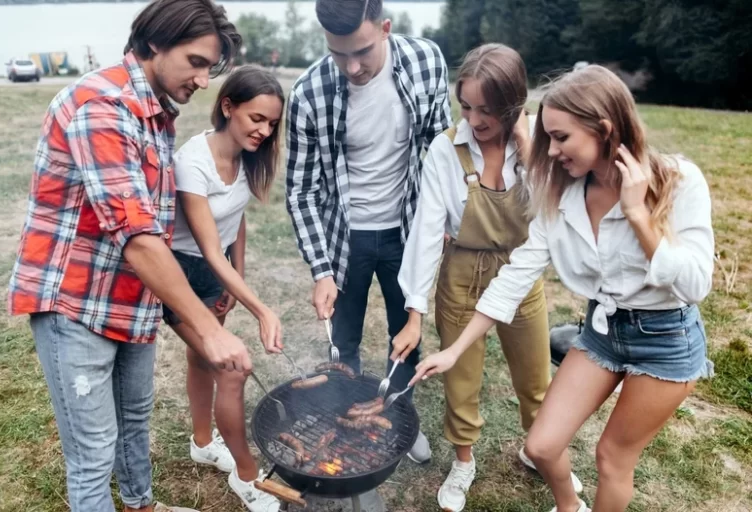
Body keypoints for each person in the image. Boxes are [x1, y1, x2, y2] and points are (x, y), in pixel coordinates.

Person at [411, 65, 715, 512]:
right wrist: (454, 351)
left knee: (611, 459)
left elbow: (695, 284)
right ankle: (571, 507)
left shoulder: (679, 180)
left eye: (560, 137)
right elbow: (515, 275)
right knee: (542, 445)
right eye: (546, 136)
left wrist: (638, 215)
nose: (549, 150)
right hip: (602, 331)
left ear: (604, 129)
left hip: (666, 339)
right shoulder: (564, 195)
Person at [7, 1, 247, 510]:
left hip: (130, 299)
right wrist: (208, 328)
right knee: (93, 453)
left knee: (135, 420)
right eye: (197, 62)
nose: (205, 80)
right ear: (156, 43)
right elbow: (137, 235)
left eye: (213, 67)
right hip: (75, 305)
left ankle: (140, 504)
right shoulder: (104, 105)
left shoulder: (153, 110)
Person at [392, 44, 581, 512]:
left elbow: (557, 204)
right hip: (461, 274)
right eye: (467, 106)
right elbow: (425, 230)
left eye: (488, 110)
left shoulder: (541, 145)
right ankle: (463, 461)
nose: (474, 120)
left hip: (520, 274)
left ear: (513, 105)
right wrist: (414, 313)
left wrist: (526, 139)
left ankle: (542, 450)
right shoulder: (445, 148)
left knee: (536, 380)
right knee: (461, 380)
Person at [285, 0, 453, 464]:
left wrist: (441, 220)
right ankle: (343, 417)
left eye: (361, 51)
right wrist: (321, 270)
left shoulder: (426, 61)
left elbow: (440, 149)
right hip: (345, 238)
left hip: (406, 230)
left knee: (406, 332)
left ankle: (398, 415)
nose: (351, 67)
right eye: (339, 54)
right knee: (344, 340)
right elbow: (300, 192)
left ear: (385, 28)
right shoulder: (309, 93)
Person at [163, 66, 284, 511]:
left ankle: (201, 442)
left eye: (272, 123)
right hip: (179, 273)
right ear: (228, 107)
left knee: (203, 357)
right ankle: (247, 475)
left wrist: (239, 273)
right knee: (232, 369)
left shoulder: (247, 157)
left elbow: (237, 220)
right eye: (256, 119)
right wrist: (262, 310)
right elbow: (208, 250)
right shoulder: (192, 162)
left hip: (217, 271)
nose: (264, 131)